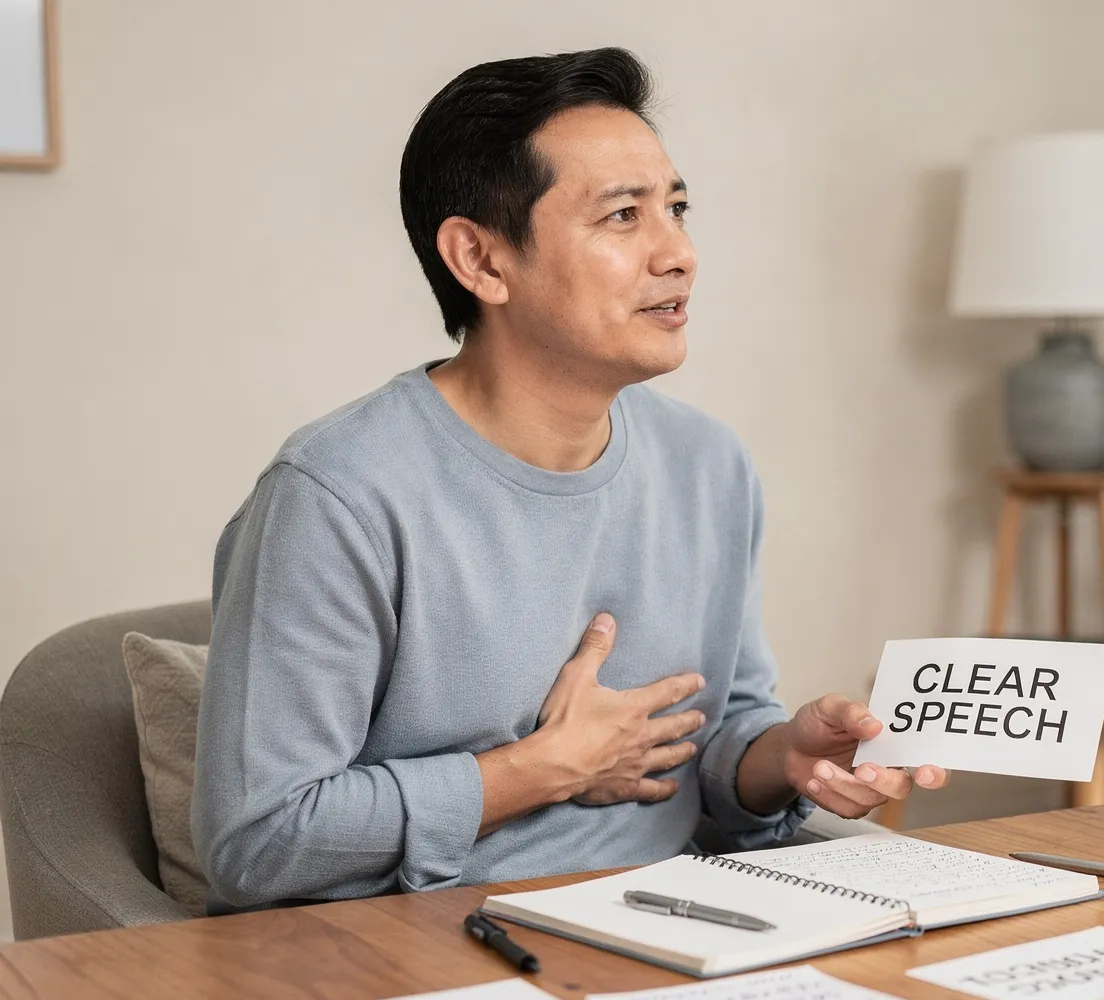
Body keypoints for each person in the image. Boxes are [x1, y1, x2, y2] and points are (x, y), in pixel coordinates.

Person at [194, 48, 946, 910]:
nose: (679, 253)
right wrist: (541, 770)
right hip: (422, 948)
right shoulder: (336, 494)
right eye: (623, 216)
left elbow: (711, 741)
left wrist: (787, 757)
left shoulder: (709, 465)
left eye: (676, 209)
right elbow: (258, 843)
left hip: (678, 925)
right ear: (480, 261)